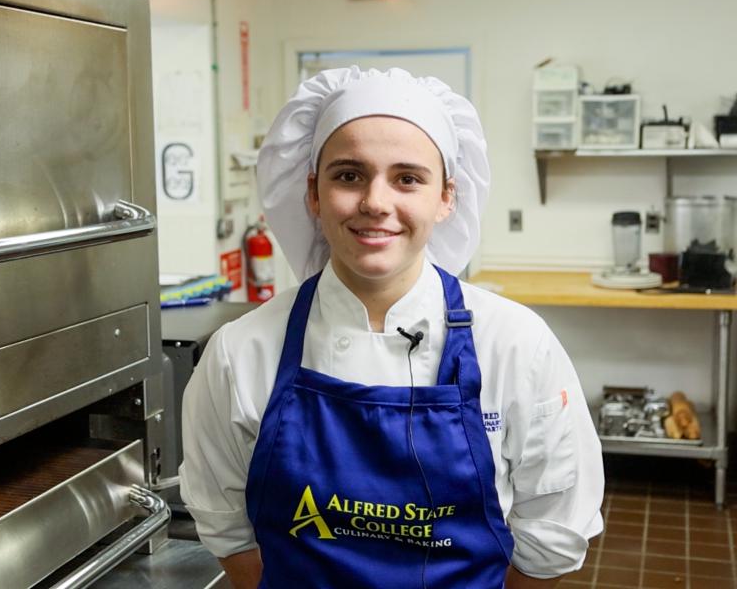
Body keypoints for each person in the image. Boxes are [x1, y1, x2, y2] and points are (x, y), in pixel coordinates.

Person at [180, 66, 604, 589]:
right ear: (313, 193)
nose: (376, 202)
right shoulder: (239, 352)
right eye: (349, 175)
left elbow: (552, 534)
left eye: (407, 178)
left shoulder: (517, 345)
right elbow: (228, 530)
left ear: (446, 196)